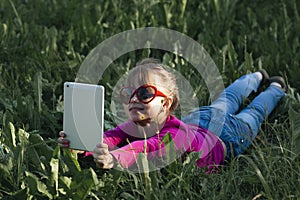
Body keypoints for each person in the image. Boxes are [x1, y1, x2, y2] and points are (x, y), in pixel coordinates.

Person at [58, 58, 286, 172]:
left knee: (253, 114)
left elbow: (144, 148)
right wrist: (85, 145)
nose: (134, 99)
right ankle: (255, 77)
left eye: (145, 93)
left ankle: (274, 88)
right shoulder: (136, 125)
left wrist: (114, 158)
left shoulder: (175, 135)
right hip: (198, 120)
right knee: (226, 100)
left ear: (165, 104)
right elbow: (112, 136)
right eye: (129, 93)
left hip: (228, 137)